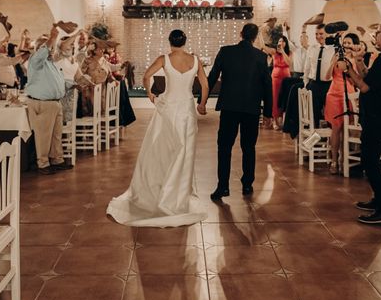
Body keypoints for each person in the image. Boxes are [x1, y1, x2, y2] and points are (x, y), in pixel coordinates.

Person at [107, 30, 208, 227]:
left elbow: (146, 76)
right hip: (186, 108)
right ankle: (178, 194)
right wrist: (202, 104)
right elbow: (204, 84)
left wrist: (150, 94)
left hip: (169, 107)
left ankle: (161, 187)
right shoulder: (195, 60)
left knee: (162, 148)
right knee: (185, 151)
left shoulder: (164, 58)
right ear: (185, 42)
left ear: (170, 42)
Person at [340, 20, 381, 224]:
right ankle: (378, 200)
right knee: (371, 158)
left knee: (370, 160)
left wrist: (348, 69)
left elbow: (365, 87)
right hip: (378, 115)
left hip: (379, 116)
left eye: (377, 34)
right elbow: (370, 78)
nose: (374, 37)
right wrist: (358, 61)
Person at [207, 23, 273, 201]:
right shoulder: (261, 56)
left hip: (229, 107)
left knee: (224, 147)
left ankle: (223, 187)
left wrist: (202, 100)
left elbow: (213, 75)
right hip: (251, 108)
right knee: (248, 147)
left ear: (241, 34)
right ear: (254, 37)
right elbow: (268, 85)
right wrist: (268, 112)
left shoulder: (226, 51)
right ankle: (247, 184)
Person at [25, 26, 72, 175]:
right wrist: (52, 38)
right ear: (40, 49)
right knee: (43, 135)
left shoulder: (50, 63)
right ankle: (43, 163)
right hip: (43, 103)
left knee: (56, 135)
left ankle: (57, 159)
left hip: (54, 103)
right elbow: (43, 51)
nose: (52, 51)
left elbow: (55, 80)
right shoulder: (35, 60)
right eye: (49, 48)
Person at [323, 33, 359, 175]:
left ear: (354, 44)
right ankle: (334, 160)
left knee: (347, 129)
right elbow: (326, 76)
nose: (346, 45)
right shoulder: (336, 56)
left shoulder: (356, 60)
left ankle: (345, 159)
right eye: (345, 42)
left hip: (349, 95)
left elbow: (356, 81)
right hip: (333, 95)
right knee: (336, 129)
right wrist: (334, 61)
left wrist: (349, 68)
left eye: (349, 42)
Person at [304, 24, 335, 126]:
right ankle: (316, 138)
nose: (318, 36)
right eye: (316, 34)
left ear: (327, 34)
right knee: (314, 114)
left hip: (329, 85)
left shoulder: (333, 49)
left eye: (321, 34)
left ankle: (330, 138)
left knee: (330, 114)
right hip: (314, 84)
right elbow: (307, 69)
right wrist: (306, 84)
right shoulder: (311, 48)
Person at [267, 35, 292, 129]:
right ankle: (275, 120)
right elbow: (263, 46)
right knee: (275, 99)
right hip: (275, 79)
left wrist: (283, 52)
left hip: (286, 80)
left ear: (285, 43)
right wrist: (260, 34)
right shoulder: (274, 52)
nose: (280, 42)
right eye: (279, 41)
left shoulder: (289, 52)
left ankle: (283, 120)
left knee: (284, 99)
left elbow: (289, 63)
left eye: (282, 41)